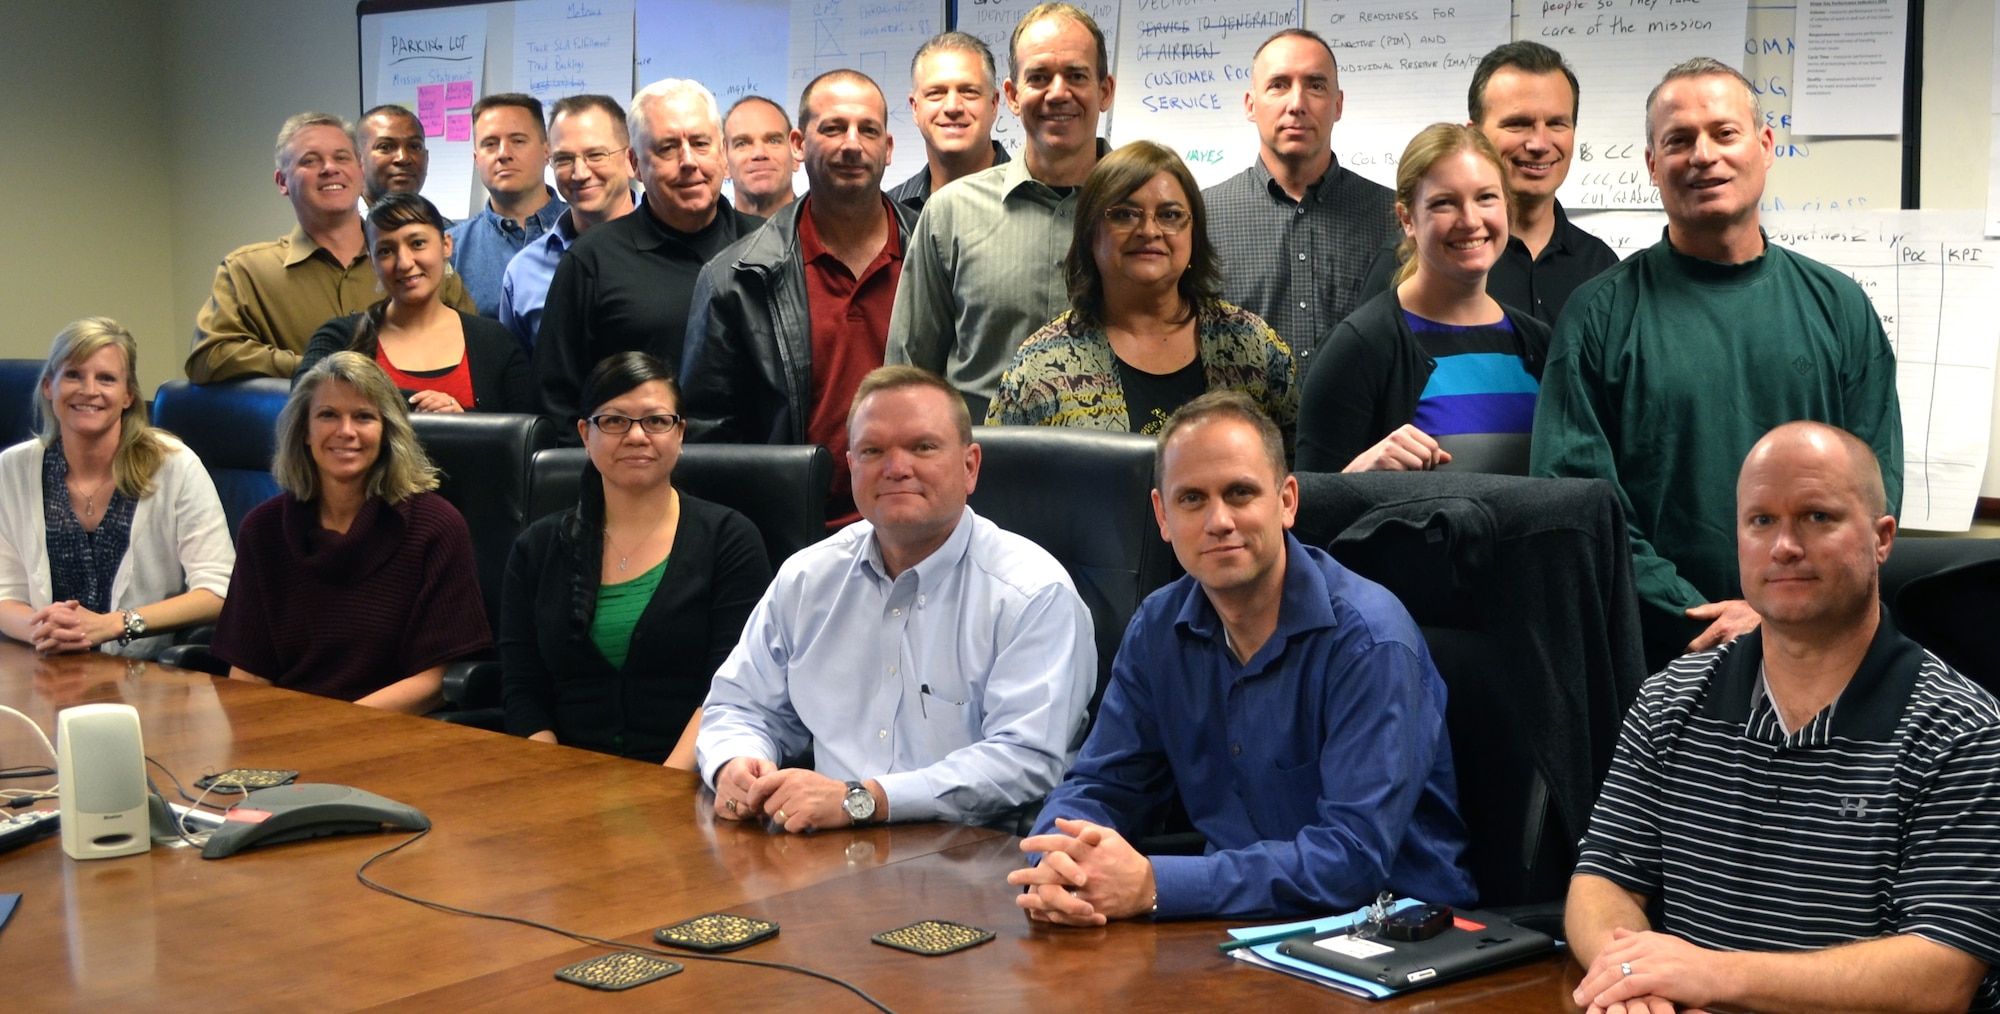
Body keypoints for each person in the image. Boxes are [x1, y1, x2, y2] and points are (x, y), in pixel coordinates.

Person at [1566, 421, 2000, 1014]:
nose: (1784, 546)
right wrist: (1633, 980)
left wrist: (1712, 975)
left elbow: (1939, 974)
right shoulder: (1671, 700)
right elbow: (1603, 881)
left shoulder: (1963, 730)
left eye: (1817, 517)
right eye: (1761, 521)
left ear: (1882, 538)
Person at [1009, 392, 1475, 922]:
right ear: (1162, 515)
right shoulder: (1159, 626)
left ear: (1287, 501)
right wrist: (1059, 861)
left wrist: (1154, 885)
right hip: (1232, 927)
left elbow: (1352, 859)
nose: (1219, 520)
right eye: (1192, 500)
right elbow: (1101, 786)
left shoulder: (1370, 639)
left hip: (1392, 936)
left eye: (1240, 493)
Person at [1530, 58, 1902, 672]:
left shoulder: (1839, 307)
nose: (1703, 155)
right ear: (1652, 165)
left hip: (1823, 648)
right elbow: (1576, 503)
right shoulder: (1598, 315)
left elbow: (1874, 486)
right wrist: (1701, 615)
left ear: (1764, 146)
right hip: (1664, 656)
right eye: (1678, 140)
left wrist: (1781, 610)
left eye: (1724, 133)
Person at [697, 366, 1094, 832]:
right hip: (819, 848)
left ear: (970, 466)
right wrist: (738, 763)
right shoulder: (807, 579)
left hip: (976, 857)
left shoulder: (1032, 593)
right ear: (852, 467)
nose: (896, 467)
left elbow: (1026, 759)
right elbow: (740, 707)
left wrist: (864, 801)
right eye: (873, 451)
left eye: (922, 447)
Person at [501, 353, 771, 768]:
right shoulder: (536, 548)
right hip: (561, 784)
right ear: (584, 434)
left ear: (680, 433)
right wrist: (552, 781)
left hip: (690, 781)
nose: (636, 436)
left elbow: (730, 691)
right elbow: (522, 688)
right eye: (613, 421)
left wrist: (665, 787)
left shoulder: (730, 540)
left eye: (656, 421)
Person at [682, 70, 917, 528]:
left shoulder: (935, 254)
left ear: (888, 149)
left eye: (868, 130)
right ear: (798, 144)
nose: (852, 145)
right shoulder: (734, 278)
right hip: (791, 536)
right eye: (832, 128)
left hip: (918, 523)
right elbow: (708, 440)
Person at [210, 352, 491, 712]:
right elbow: (248, 673)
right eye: (328, 415)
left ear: (388, 432)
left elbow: (437, 680)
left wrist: (334, 727)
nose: (346, 431)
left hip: (390, 734)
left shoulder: (436, 527)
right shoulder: (263, 530)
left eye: (363, 417)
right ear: (304, 431)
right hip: (288, 733)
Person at [886, 3, 1116, 422]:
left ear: (1105, 90)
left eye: (1077, 75)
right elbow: (907, 380)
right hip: (980, 476)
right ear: (1011, 96)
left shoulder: (1147, 212)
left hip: (1116, 473)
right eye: (1039, 77)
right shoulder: (949, 214)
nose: (1058, 92)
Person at [987, 141, 1296, 447]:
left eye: (1170, 215)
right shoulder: (1041, 365)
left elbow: (1295, 475)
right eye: (1124, 214)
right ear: (1089, 234)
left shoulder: (1252, 346)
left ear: (1194, 234)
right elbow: (997, 483)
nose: (1149, 231)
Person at [1296, 124, 1550, 476]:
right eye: (1444, 203)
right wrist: (1359, 475)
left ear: (1506, 206)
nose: (1470, 220)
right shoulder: (1361, 347)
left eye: (1486, 197)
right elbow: (1305, 511)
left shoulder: (1539, 344)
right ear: (1407, 219)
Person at [0, 319, 233, 660]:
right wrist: (45, 630)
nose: (88, 390)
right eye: (73, 375)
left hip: (150, 675)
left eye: (106, 378)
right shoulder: (13, 469)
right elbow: (5, 592)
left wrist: (116, 624)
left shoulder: (175, 465)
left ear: (128, 396)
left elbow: (219, 589)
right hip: (47, 666)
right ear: (49, 386)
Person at [536, 78, 753, 442]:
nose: (688, 162)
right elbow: (555, 406)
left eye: (700, 143)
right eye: (667, 148)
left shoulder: (770, 248)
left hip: (758, 478)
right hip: (633, 480)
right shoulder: (591, 261)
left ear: (723, 152)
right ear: (635, 163)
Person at [187, 111, 475, 383]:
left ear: (361, 172)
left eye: (342, 157)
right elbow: (209, 356)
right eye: (310, 161)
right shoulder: (248, 271)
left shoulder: (420, 263)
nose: (330, 169)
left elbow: (477, 349)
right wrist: (318, 366)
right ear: (282, 182)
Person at [1359, 43, 1619, 326]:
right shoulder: (1410, 259)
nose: (1539, 144)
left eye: (1557, 124)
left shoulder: (1601, 266)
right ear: (1476, 136)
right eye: (1518, 124)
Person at [1202, 29, 1397, 367]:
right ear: (1251, 105)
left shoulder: (1394, 218)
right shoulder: (1201, 217)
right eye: (1278, 85)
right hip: (1243, 419)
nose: (1296, 104)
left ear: (1337, 105)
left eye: (1315, 86)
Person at [296, 193, 534, 413]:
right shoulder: (338, 338)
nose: (404, 262)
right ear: (372, 262)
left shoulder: (495, 342)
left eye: (418, 243)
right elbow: (304, 408)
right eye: (386, 251)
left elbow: (527, 436)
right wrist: (417, 410)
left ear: (446, 245)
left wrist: (465, 420)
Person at [499, 94, 638, 350]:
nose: (580, 173)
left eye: (596, 155)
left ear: (631, 160)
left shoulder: (676, 245)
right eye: (564, 159)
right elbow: (519, 383)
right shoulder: (523, 273)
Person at [448, 93, 566, 318]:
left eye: (518, 141)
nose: (503, 154)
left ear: (547, 150)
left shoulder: (588, 230)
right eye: (490, 144)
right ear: (476, 159)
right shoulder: (451, 251)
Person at [886, 32, 1010, 211]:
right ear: (915, 108)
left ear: (994, 104)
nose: (952, 107)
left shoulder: (1039, 201)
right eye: (936, 93)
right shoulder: (892, 215)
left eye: (969, 91)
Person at [722, 96, 798, 219]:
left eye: (773, 141)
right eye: (743, 143)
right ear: (724, 162)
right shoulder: (706, 237)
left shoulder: (830, 232)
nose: (759, 153)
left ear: (795, 154)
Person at [357, 104, 431, 208]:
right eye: (385, 147)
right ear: (358, 159)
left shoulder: (441, 224)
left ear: (427, 159)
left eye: (415, 147)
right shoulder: (334, 222)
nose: (403, 158)